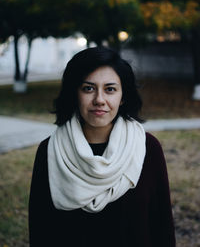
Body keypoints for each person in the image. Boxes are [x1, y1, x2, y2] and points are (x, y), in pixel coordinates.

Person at [29, 46, 176, 247]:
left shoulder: (147, 148)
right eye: (88, 88)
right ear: (75, 93)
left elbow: (162, 229)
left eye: (110, 89)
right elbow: (41, 232)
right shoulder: (50, 151)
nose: (99, 100)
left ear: (123, 97)